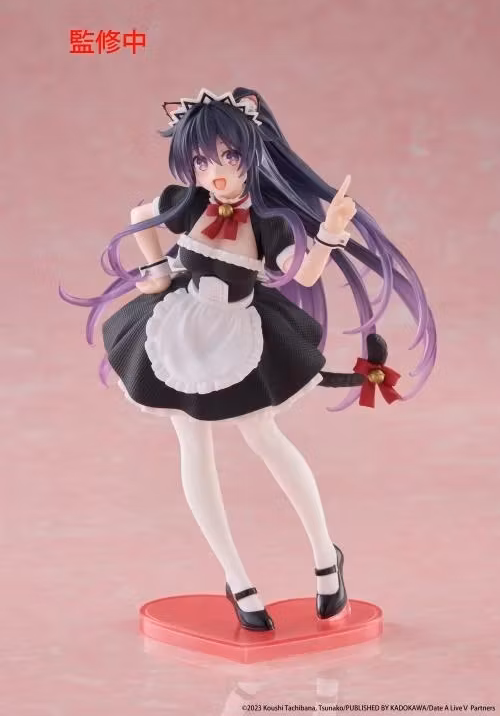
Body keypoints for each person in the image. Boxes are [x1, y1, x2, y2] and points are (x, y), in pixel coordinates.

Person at [60, 87, 436, 633]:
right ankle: (237, 578)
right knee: (193, 441)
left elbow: (301, 274)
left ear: (253, 153)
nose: (214, 172)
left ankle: (326, 558)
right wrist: (157, 274)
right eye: (200, 161)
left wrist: (330, 233)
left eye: (228, 157)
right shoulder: (187, 203)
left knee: (264, 436)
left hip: (239, 331)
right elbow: (141, 213)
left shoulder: (267, 222)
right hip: (182, 326)